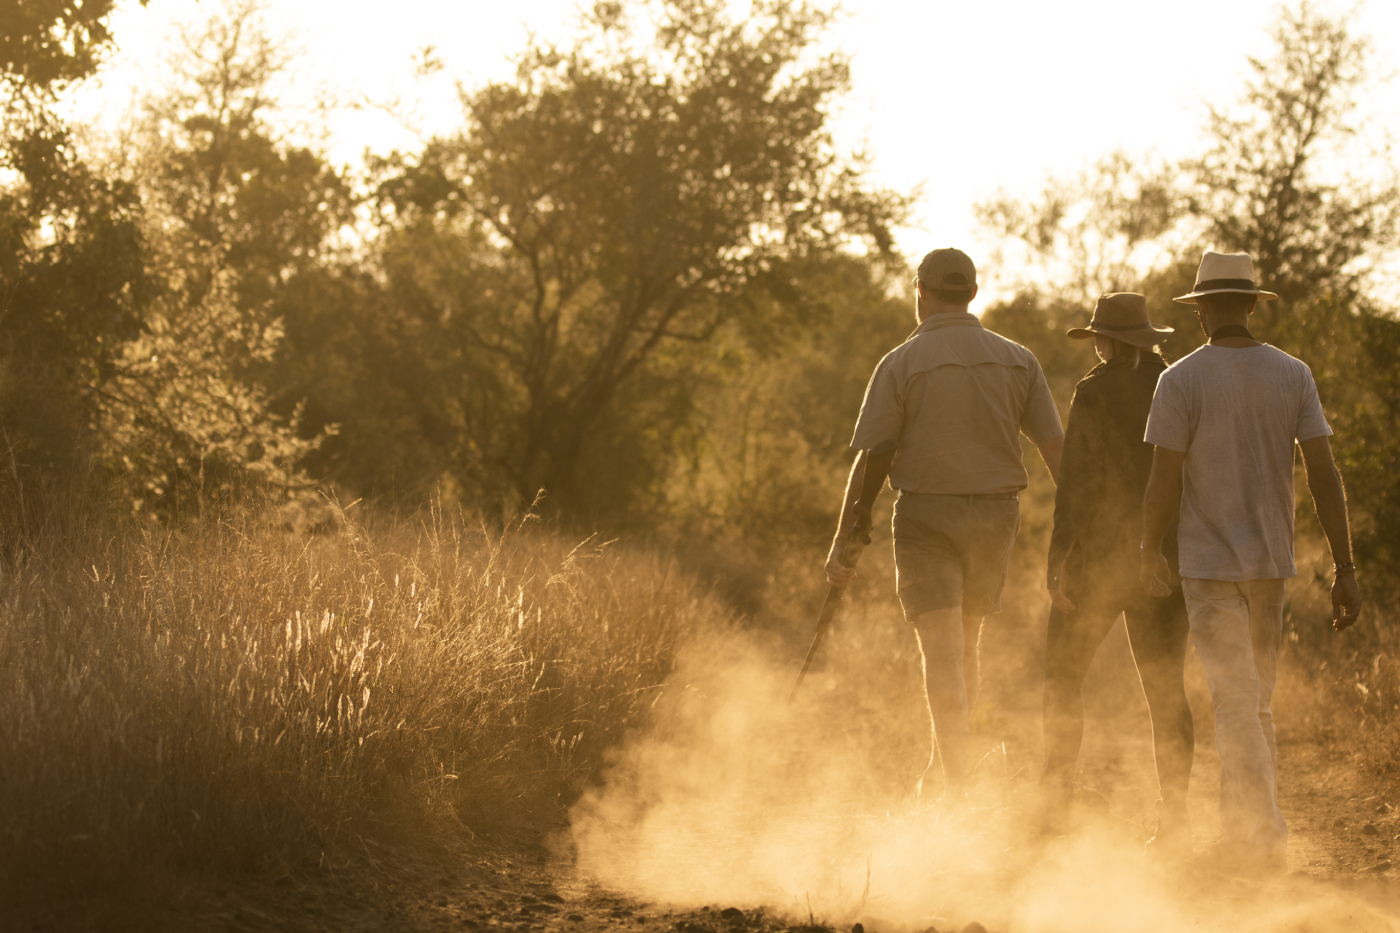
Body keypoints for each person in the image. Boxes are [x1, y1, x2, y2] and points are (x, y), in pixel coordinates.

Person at [1139, 250, 1362, 874]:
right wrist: (1345, 569)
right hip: (1271, 562)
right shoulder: (1293, 374)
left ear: (1204, 309)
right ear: (1250, 306)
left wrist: (1147, 549)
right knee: (1253, 701)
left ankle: (1261, 841)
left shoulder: (1180, 378)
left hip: (1208, 566)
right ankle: (1245, 833)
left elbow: (1163, 481)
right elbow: (1325, 473)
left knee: (1237, 701)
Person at [826, 247, 1064, 804]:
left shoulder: (901, 362)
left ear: (921, 291)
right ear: (973, 294)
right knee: (965, 643)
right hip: (996, 515)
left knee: (941, 651)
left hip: (927, 515)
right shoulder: (1018, 359)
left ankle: (955, 789)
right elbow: (1056, 451)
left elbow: (874, 456)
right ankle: (945, 768)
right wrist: (1076, 530)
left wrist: (844, 538)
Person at [1040, 293, 1194, 853]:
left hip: (1101, 560)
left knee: (1062, 678)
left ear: (1106, 340)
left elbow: (1077, 480)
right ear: (1148, 339)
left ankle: (1053, 806)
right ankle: (1173, 818)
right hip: (1163, 559)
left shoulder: (1095, 390)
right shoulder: (1178, 383)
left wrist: (1059, 556)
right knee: (1164, 689)